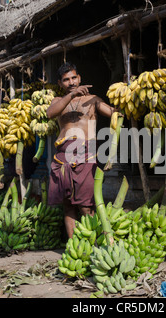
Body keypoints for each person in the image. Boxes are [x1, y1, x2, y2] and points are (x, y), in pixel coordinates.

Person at [46, 62, 120, 238]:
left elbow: (114, 114)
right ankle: (73, 245)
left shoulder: (93, 100)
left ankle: (93, 241)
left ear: (79, 78)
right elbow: (50, 114)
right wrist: (71, 96)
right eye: (66, 80)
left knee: (86, 204)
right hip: (63, 155)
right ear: (60, 83)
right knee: (68, 204)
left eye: (73, 78)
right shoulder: (58, 101)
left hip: (86, 153)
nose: (71, 82)